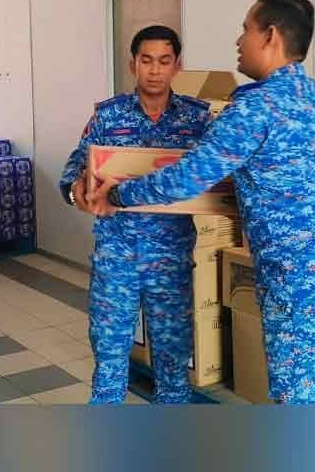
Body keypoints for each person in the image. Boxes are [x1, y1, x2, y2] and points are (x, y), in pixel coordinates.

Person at [89, 0, 315, 405]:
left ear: (270, 36)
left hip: (299, 275)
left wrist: (121, 192)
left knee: (301, 397)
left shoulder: (254, 109)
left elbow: (189, 177)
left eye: (245, 29)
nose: (239, 41)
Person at [59, 25, 211, 404]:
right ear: (133, 64)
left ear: (177, 65)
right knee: (110, 359)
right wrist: (78, 192)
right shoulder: (108, 117)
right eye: (146, 61)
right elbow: (74, 169)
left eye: (164, 61)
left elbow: (216, 175)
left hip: (170, 258)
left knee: (173, 364)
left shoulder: (197, 120)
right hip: (117, 256)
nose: (155, 70)